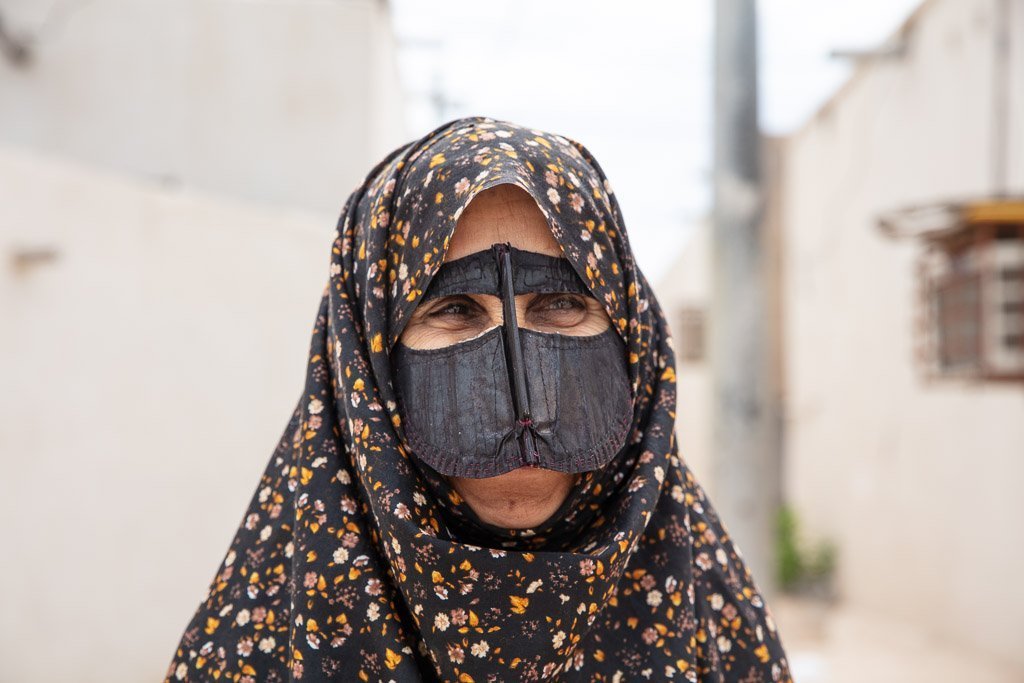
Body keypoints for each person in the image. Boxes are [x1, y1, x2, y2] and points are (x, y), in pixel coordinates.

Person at [165, 115, 793, 682]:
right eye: (455, 309)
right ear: (367, 358)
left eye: (562, 304)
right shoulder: (251, 651)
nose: (526, 403)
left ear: (632, 337)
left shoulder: (718, 634)